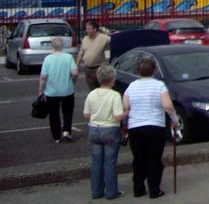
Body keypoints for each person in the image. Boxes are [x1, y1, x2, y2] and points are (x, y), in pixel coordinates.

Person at [123, 57, 179, 199]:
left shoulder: (131, 86)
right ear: (154, 71)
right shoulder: (159, 86)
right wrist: (174, 120)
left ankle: (138, 188)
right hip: (154, 126)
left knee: (139, 158)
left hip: (135, 127)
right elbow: (167, 105)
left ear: (138, 71)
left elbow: (125, 107)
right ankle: (154, 189)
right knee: (154, 158)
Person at [83, 64, 125, 200]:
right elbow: (118, 116)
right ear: (112, 79)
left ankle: (96, 191)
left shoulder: (92, 94)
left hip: (94, 128)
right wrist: (127, 112)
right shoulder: (115, 95)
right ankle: (111, 191)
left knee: (96, 162)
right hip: (110, 129)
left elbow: (86, 114)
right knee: (110, 162)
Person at [38, 36, 78, 143]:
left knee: (54, 114)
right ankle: (66, 131)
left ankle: (56, 136)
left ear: (52, 46)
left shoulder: (48, 59)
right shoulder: (68, 57)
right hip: (67, 90)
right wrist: (73, 80)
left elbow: (43, 77)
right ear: (62, 46)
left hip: (52, 92)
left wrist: (40, 90)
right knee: (68, 112)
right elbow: (74, 73)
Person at [76, 20, 112, 89]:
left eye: (89, 29)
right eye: (86, 29)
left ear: (95, 29)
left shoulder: (103, 38)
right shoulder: (85, 39)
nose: (87, 30)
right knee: (91, 88)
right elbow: (80, 53)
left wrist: (106, 31)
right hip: (88, 69)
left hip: (99, 68)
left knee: (101, 87)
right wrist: (76, 65)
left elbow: (114, 39)